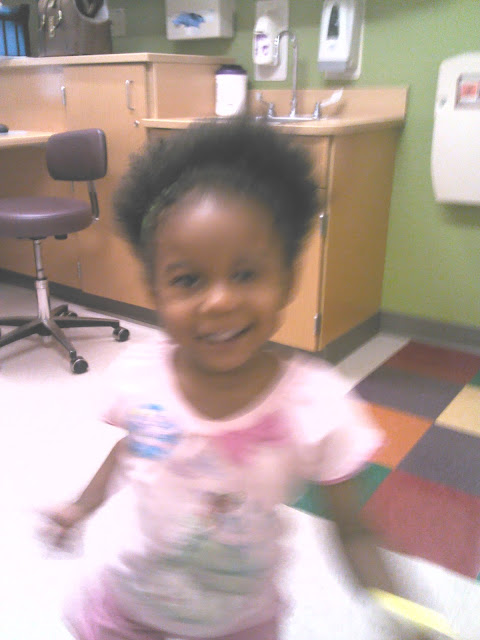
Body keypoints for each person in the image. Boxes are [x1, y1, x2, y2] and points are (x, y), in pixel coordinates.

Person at [42, 117, 432, 640]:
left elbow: (354, 531)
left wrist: (404, 613)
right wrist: (79, 508)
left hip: (240, 625)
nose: (220, 300)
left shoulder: (313, 405)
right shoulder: (140, 376)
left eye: (246, 274)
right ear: (156, 292)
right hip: (131, 611)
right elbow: (131, 448)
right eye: (188, 279)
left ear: (288, 280)